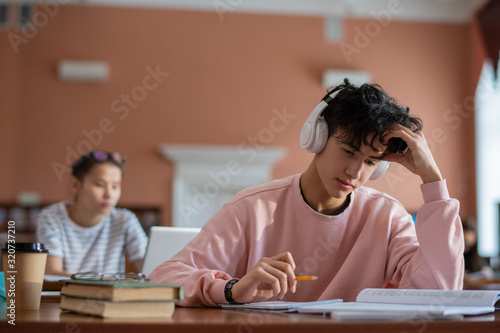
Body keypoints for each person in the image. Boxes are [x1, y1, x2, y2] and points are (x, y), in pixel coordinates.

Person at [149, 79, 464, 307]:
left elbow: (441, 291)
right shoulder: (252, 209)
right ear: (318, 137)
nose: (356, 172)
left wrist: (432, 180)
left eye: (370, 161)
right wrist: (232, 288)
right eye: (349, 151)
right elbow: (165, 277)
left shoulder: (388, 217)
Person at [36, 150, 148, 277]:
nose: (109, 194)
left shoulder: (125, 220)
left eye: (115, 187)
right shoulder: (51, 217)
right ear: (75, 185)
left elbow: (150, 268)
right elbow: (53, 274)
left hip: (112, 295)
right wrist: (103, 281)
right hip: (65, 295)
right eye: (99, 185)